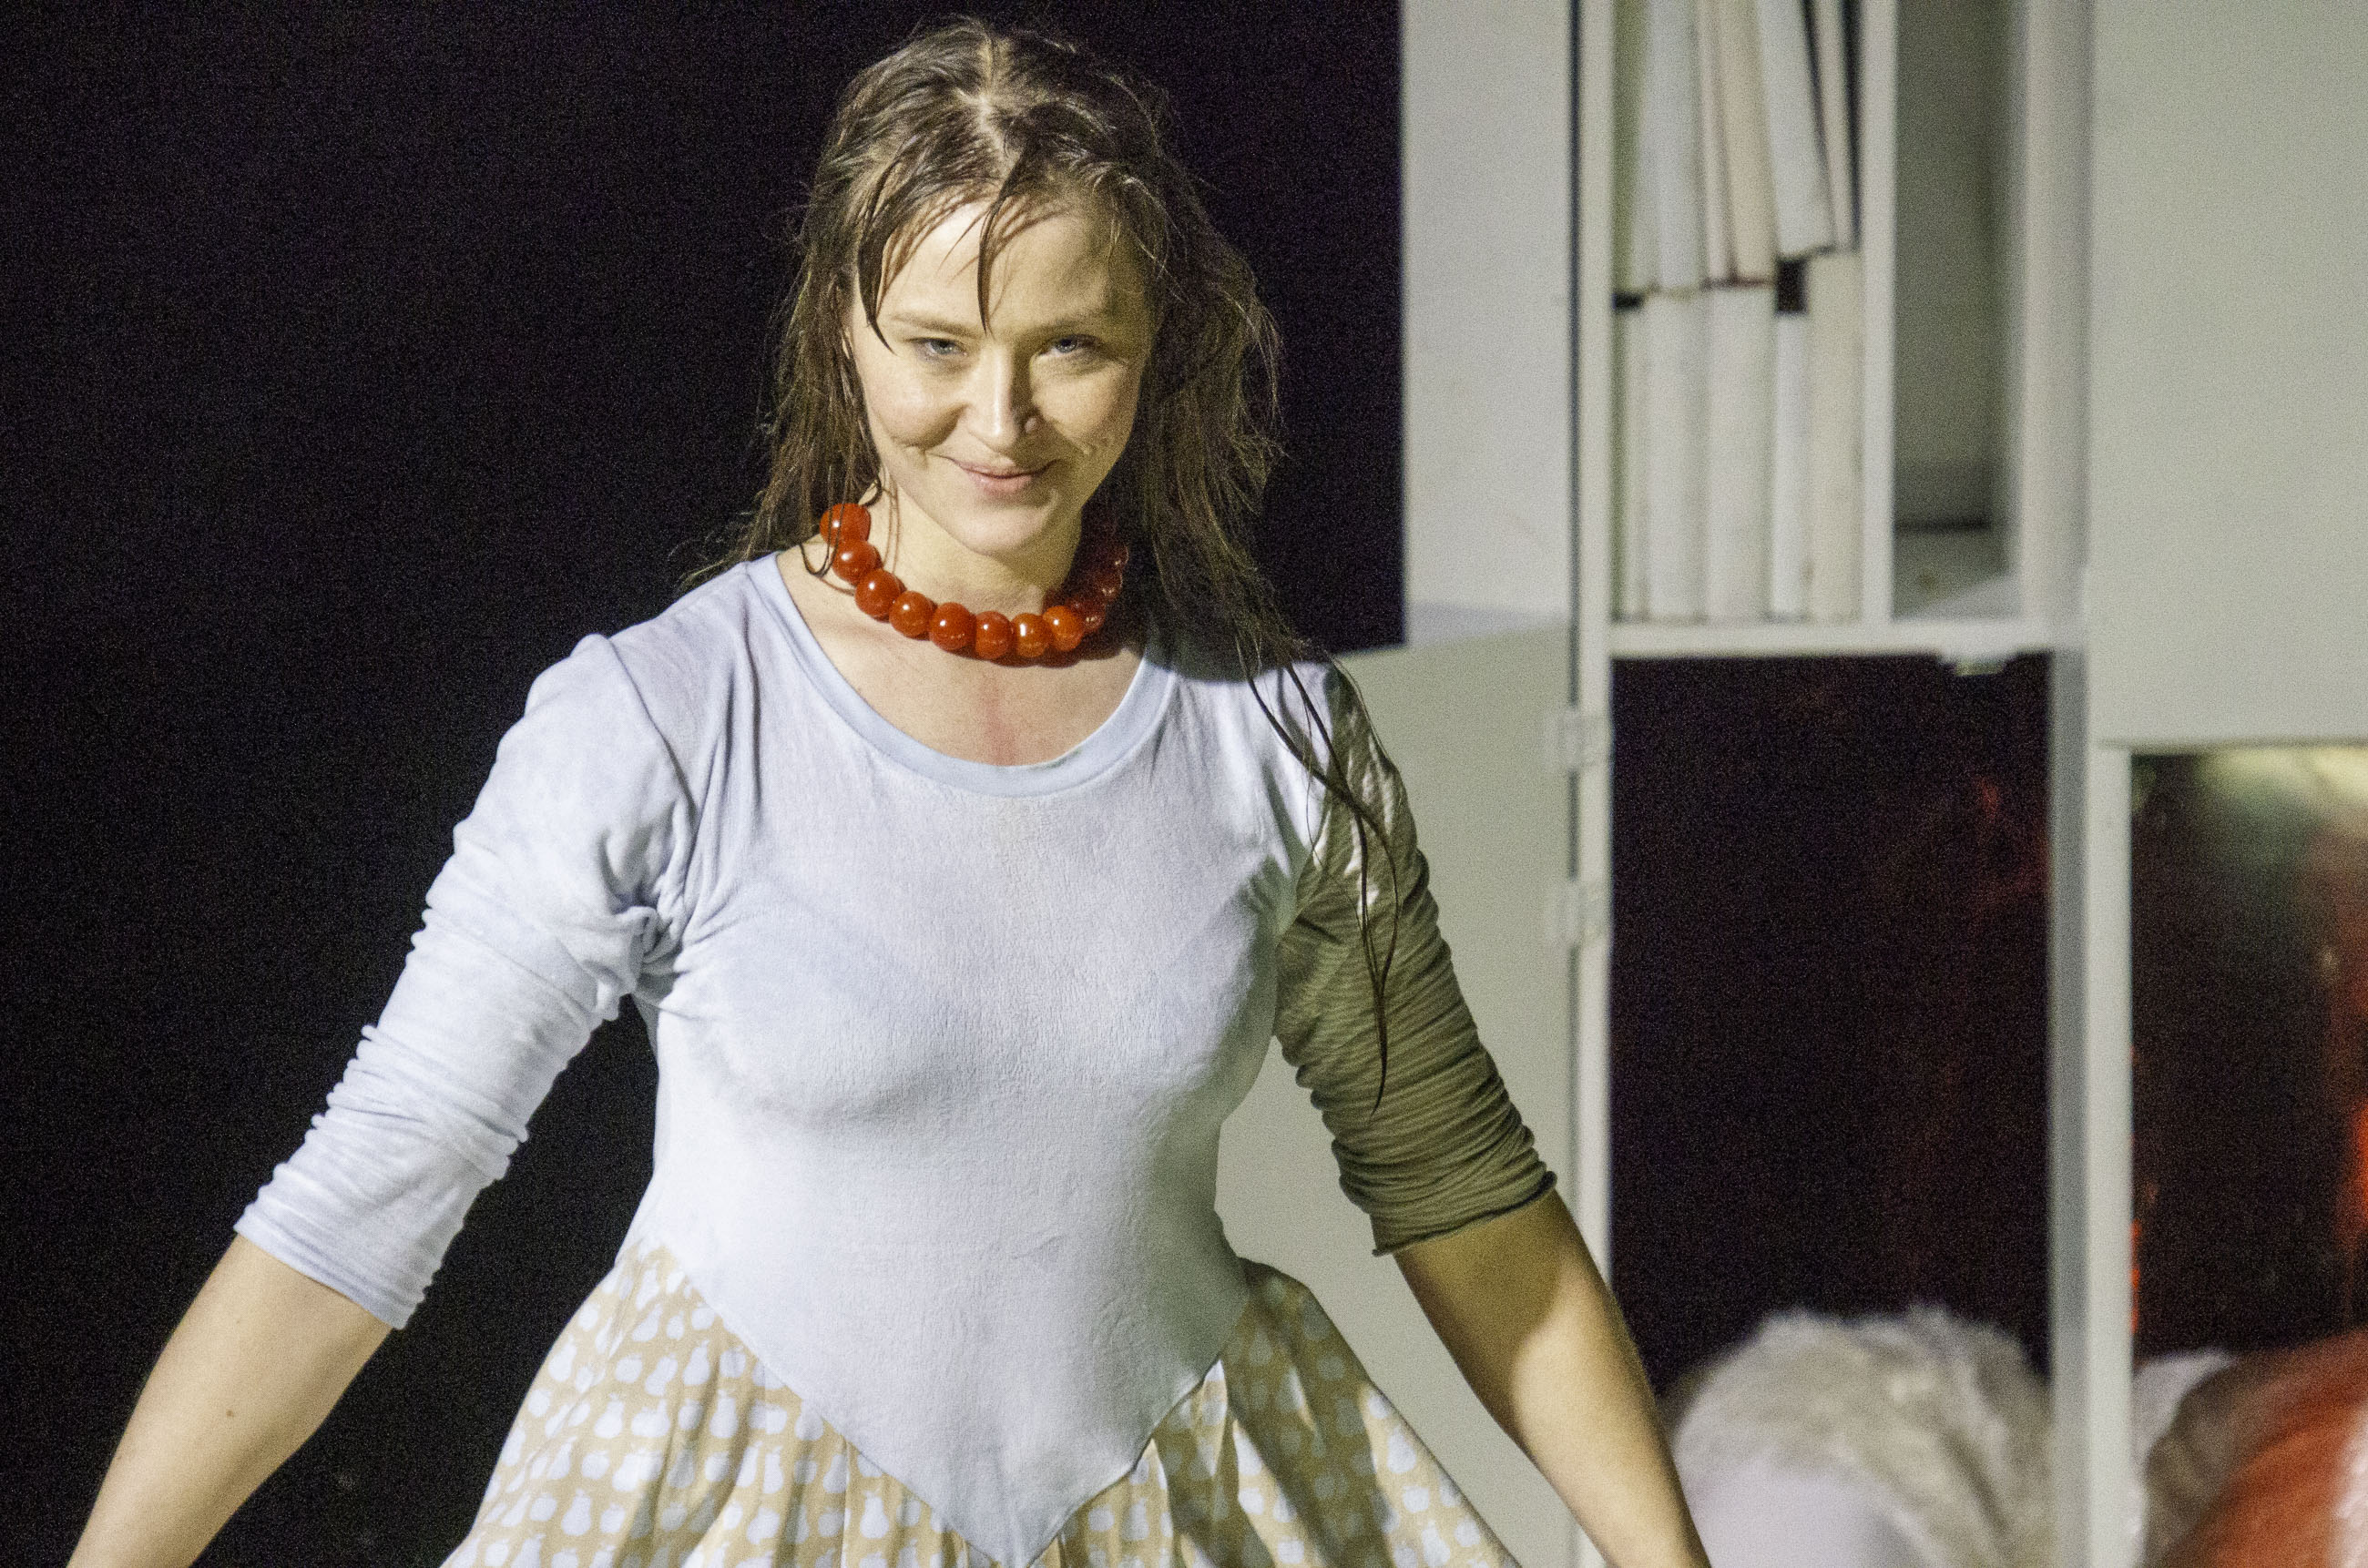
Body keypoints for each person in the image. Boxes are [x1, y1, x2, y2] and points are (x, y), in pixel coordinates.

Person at [67, 21, 1710, 1568]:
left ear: (1157, 346)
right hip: (738, 1512)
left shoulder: (1272, 740)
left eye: (1070, 347)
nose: (999, 420)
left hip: (1164, 1501)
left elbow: (1469, 1196)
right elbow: (375, 1187)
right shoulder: (666, 719)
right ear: (842, 333)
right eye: (936, 345)